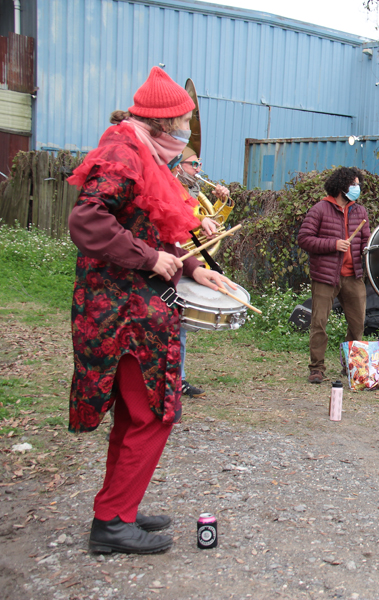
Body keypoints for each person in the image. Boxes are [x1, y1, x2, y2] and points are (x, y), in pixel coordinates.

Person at [67, 67, 235, 554]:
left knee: (135, 413)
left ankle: (118, 507)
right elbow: (87, 218)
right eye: (182, 123)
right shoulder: (123, 151)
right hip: (120, 310)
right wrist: (152, 259)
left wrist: (191, 268)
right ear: (162, 125)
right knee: (150, 415)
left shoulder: (143, 151)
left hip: (132, 305)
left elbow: (149, 226)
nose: (186, 133)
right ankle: (112, 524)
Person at [297, 167, 370, 384]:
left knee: (357, 325)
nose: (357, 188)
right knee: (319, 323)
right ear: (342, 185)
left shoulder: (360, 212)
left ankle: (351, 366)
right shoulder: (320, 209)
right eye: (354, 184)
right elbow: (304, 238)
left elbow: (365, 242)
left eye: (358, 184)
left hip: (354, 275)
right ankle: (316, 368)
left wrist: (370, 253)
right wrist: (333, 244)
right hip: (326, 277)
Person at [173, 146, 232, 398]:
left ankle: (178, 378)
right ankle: (173, 379)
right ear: (177, 166)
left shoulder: (194, 191)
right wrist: (200, 221)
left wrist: (223, 201)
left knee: (181, 325)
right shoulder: (171, 187)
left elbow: (215, 222)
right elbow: (180, 216)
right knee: (174, 325)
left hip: (191, 261)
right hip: (172, 257)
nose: (199, 170)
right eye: (193, 164)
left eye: (199, 165)